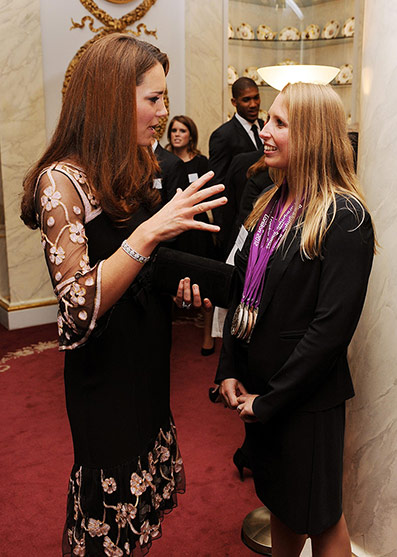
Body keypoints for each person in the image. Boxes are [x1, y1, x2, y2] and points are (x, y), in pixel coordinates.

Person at [20, 34, 226, 556]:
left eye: (165, 99)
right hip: (103, 378)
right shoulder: (60, 182)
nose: (163, 112)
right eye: (152, 99)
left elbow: (141, 269)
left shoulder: (136, 163)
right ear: (114, 98)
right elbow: (79, 302)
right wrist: (151, 231)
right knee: (105, 526)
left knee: (141, 517)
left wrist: (180, 284)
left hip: (148, 361)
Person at [215, 82, 375, 556]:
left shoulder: (346, 217)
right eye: (268, 120)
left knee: (321, 520)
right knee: (282, 507)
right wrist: (228, 368)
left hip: (304, 403)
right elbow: (244, 292)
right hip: (263, 392)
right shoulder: (270, 201)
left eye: (279, 123)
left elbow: (329, 333)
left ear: (312, 135)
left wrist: (269, 401)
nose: (265, 130)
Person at [166, 115, 216, 355]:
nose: (176, 134)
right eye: (173, 130)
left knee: (204, 277)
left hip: (197, 226)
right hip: (171, 227)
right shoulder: (162, 160)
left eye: (182, 130)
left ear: (190, 135)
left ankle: (207, 334)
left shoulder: (201, 161)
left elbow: (208, 195)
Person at [208, 77, 264, 189]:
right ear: (234, 102)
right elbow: (217, 183)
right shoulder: (222, 135)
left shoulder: (266, 127)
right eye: (246, 100)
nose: (253, 104)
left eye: (256, 98)